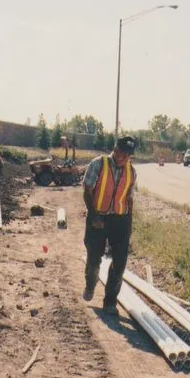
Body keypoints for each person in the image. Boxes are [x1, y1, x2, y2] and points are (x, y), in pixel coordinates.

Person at [82, 135, 138, 315]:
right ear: (115, 149)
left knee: (120, 262)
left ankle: (110, 302)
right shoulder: (98, 164)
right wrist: (93, 215)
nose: (123, 156)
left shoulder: (132, 171)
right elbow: (87, 191)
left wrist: (129, 226)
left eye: (127, 154)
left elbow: (129, 200)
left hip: (119, 220)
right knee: (93, 259)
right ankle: (91, 284)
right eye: (121, 152)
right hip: (97, 216)